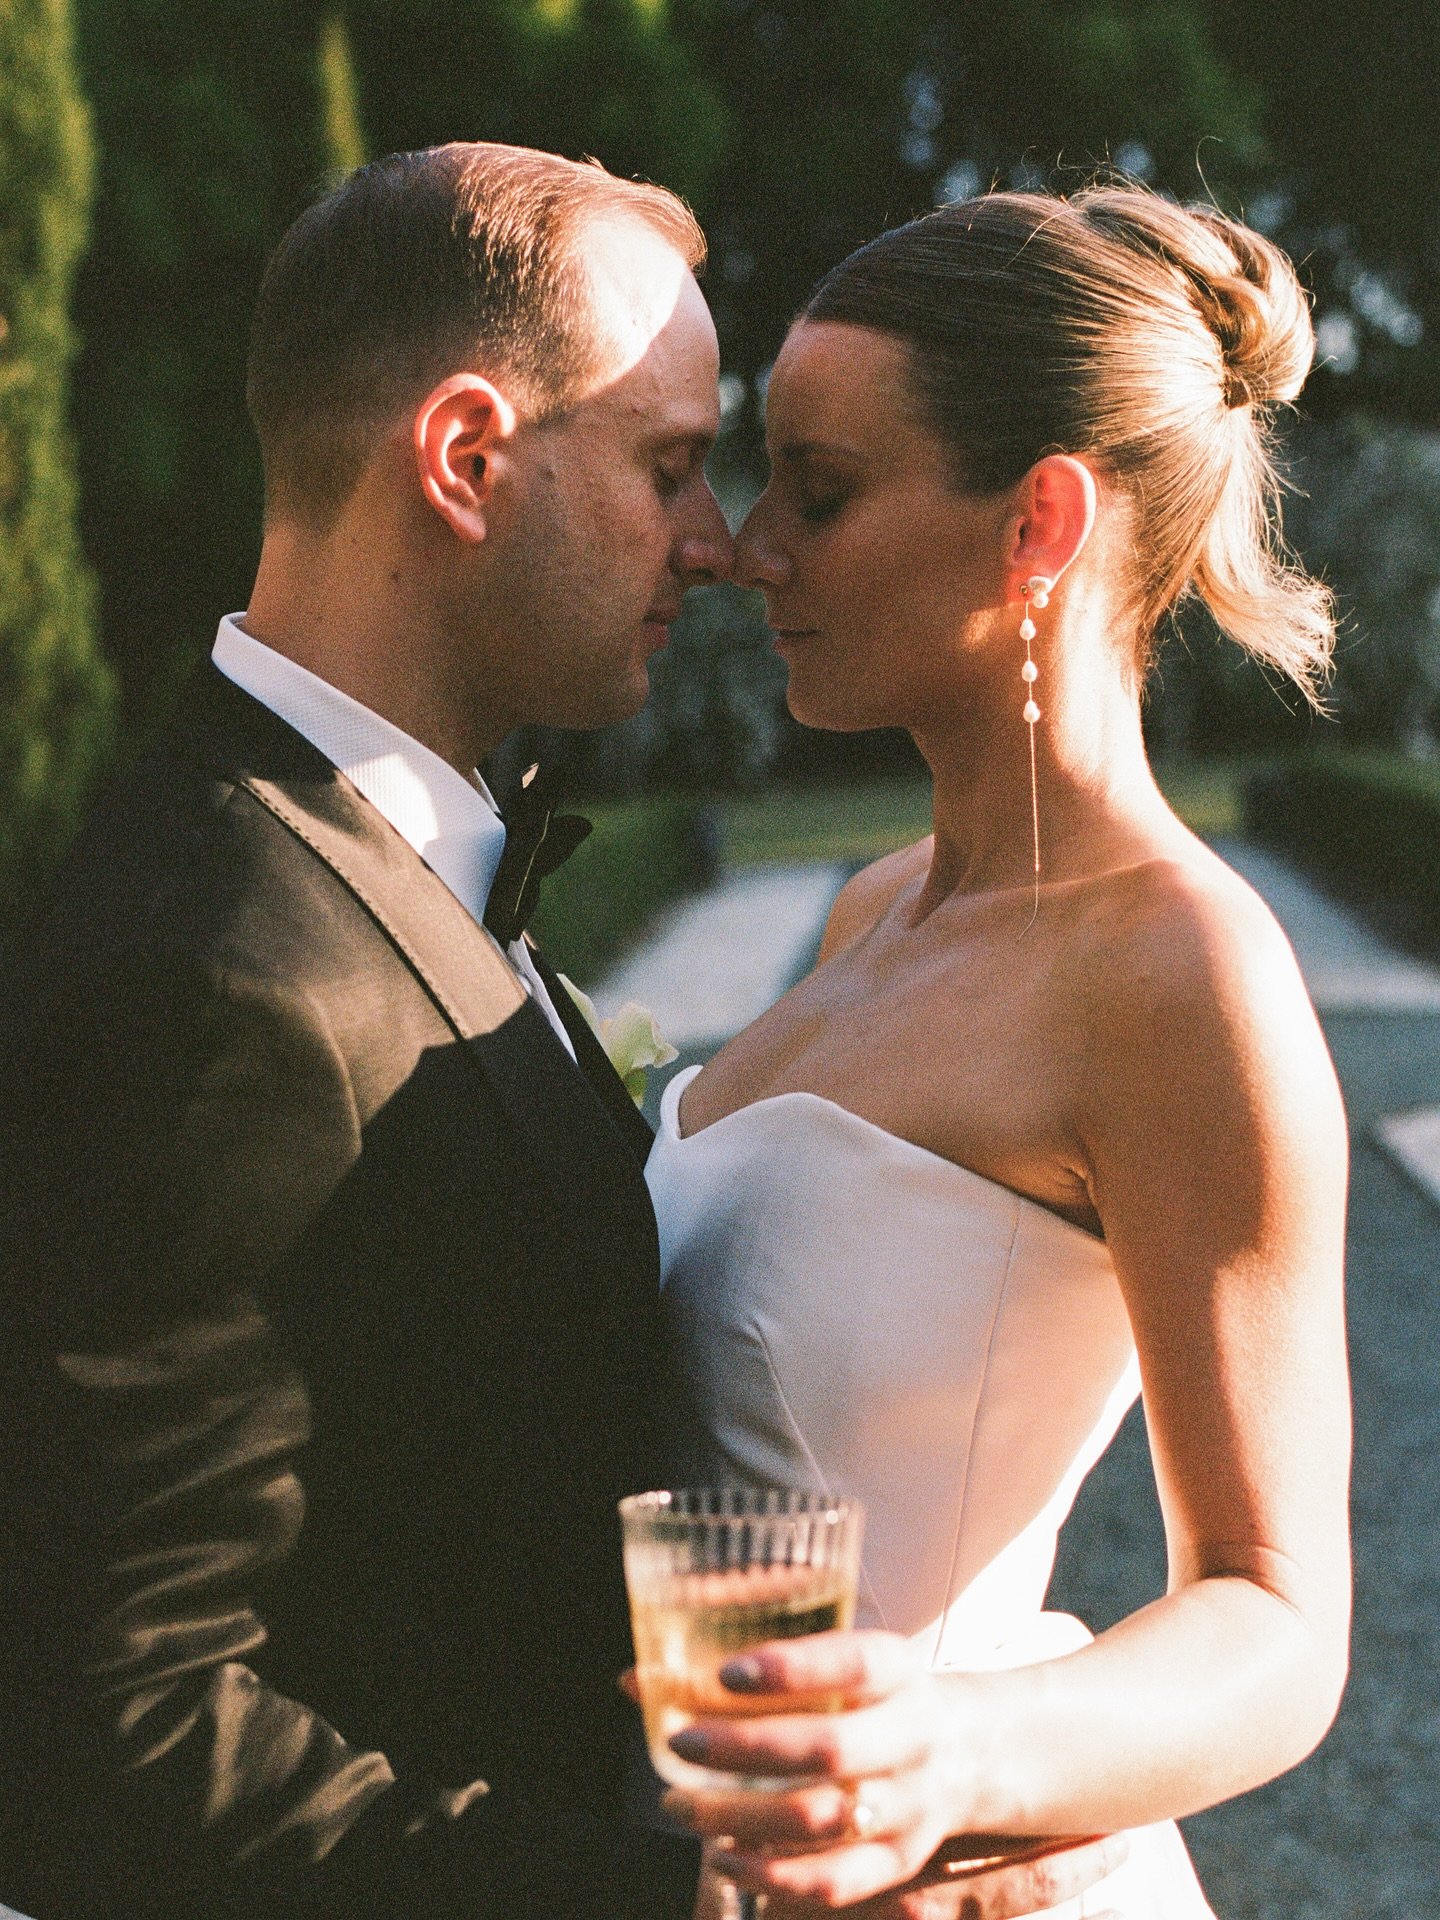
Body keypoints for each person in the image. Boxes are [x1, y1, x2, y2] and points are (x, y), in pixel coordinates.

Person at [0, 143, 1120, 1920]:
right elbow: (105, 1742)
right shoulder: (213, 969)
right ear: (464, 459)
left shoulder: (386, 857)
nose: (718, 541)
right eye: (668, 465)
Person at [647, 187, 1351, 1918]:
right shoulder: (867, 910)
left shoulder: (1181, 972)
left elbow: (1276, 1615)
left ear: (1040, 520)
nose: (749, 547)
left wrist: (959, 1751)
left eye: (820, 491)